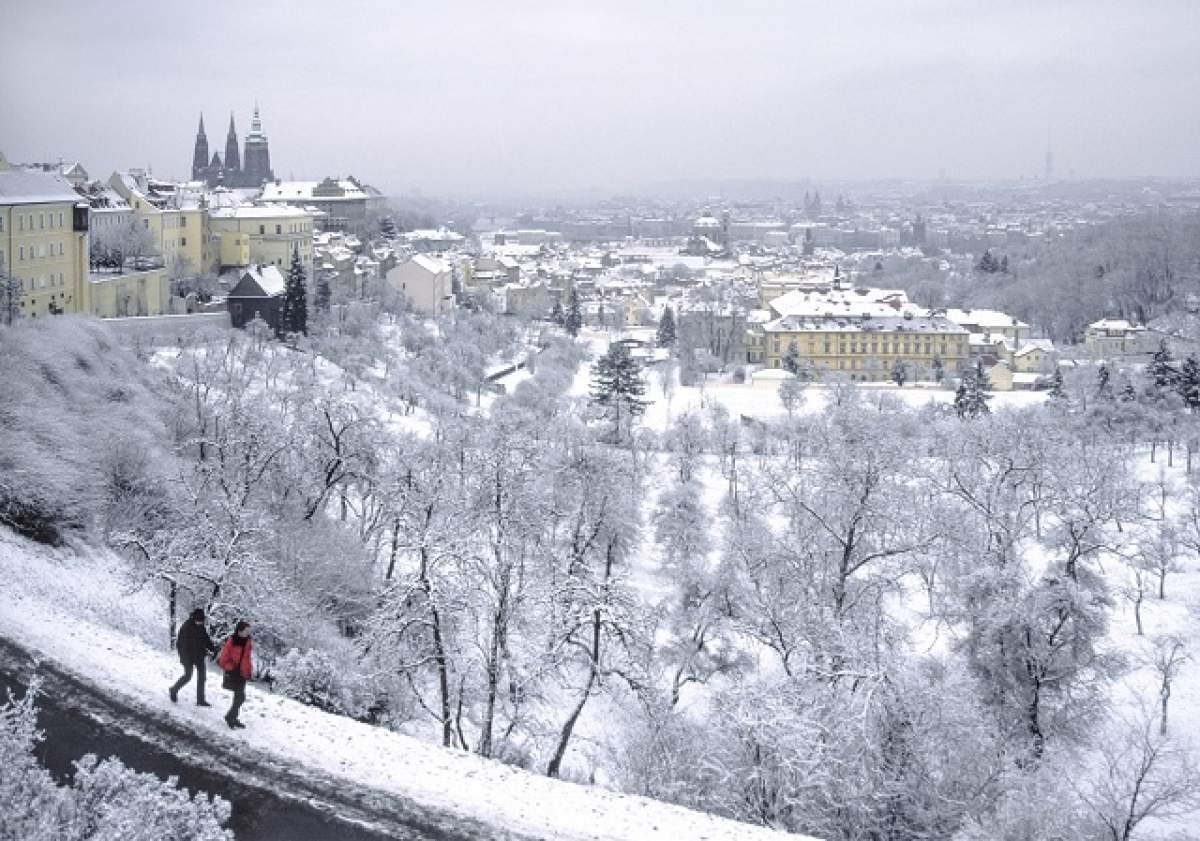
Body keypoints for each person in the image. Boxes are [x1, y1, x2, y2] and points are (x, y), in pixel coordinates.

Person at [169, 608, 217, 706]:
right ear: (194, 618)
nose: (200, 622)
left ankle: (200, 700)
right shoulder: (186, 627)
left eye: (201, 621)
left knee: (202, 677)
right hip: (188, 657)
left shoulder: (201, 627)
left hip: (199, 655)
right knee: (188, 676)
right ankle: (174, 689)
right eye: (198, 620)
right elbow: (180, 645)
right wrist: (184, 659)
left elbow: (205, 638)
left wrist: (212, 648)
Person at [216, 620, 253, 729]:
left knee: (240, 697)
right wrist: (231, 667)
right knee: (239, 697)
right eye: (246, 631)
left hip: (242, 673)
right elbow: (222, 660)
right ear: (239, 631)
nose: (248, 633)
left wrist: (249, 670)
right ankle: (230, 717)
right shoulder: (231, 641)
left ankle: (232, 717)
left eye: (249, 631)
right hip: (234, 673)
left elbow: (247, 658)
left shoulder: (248, 642)